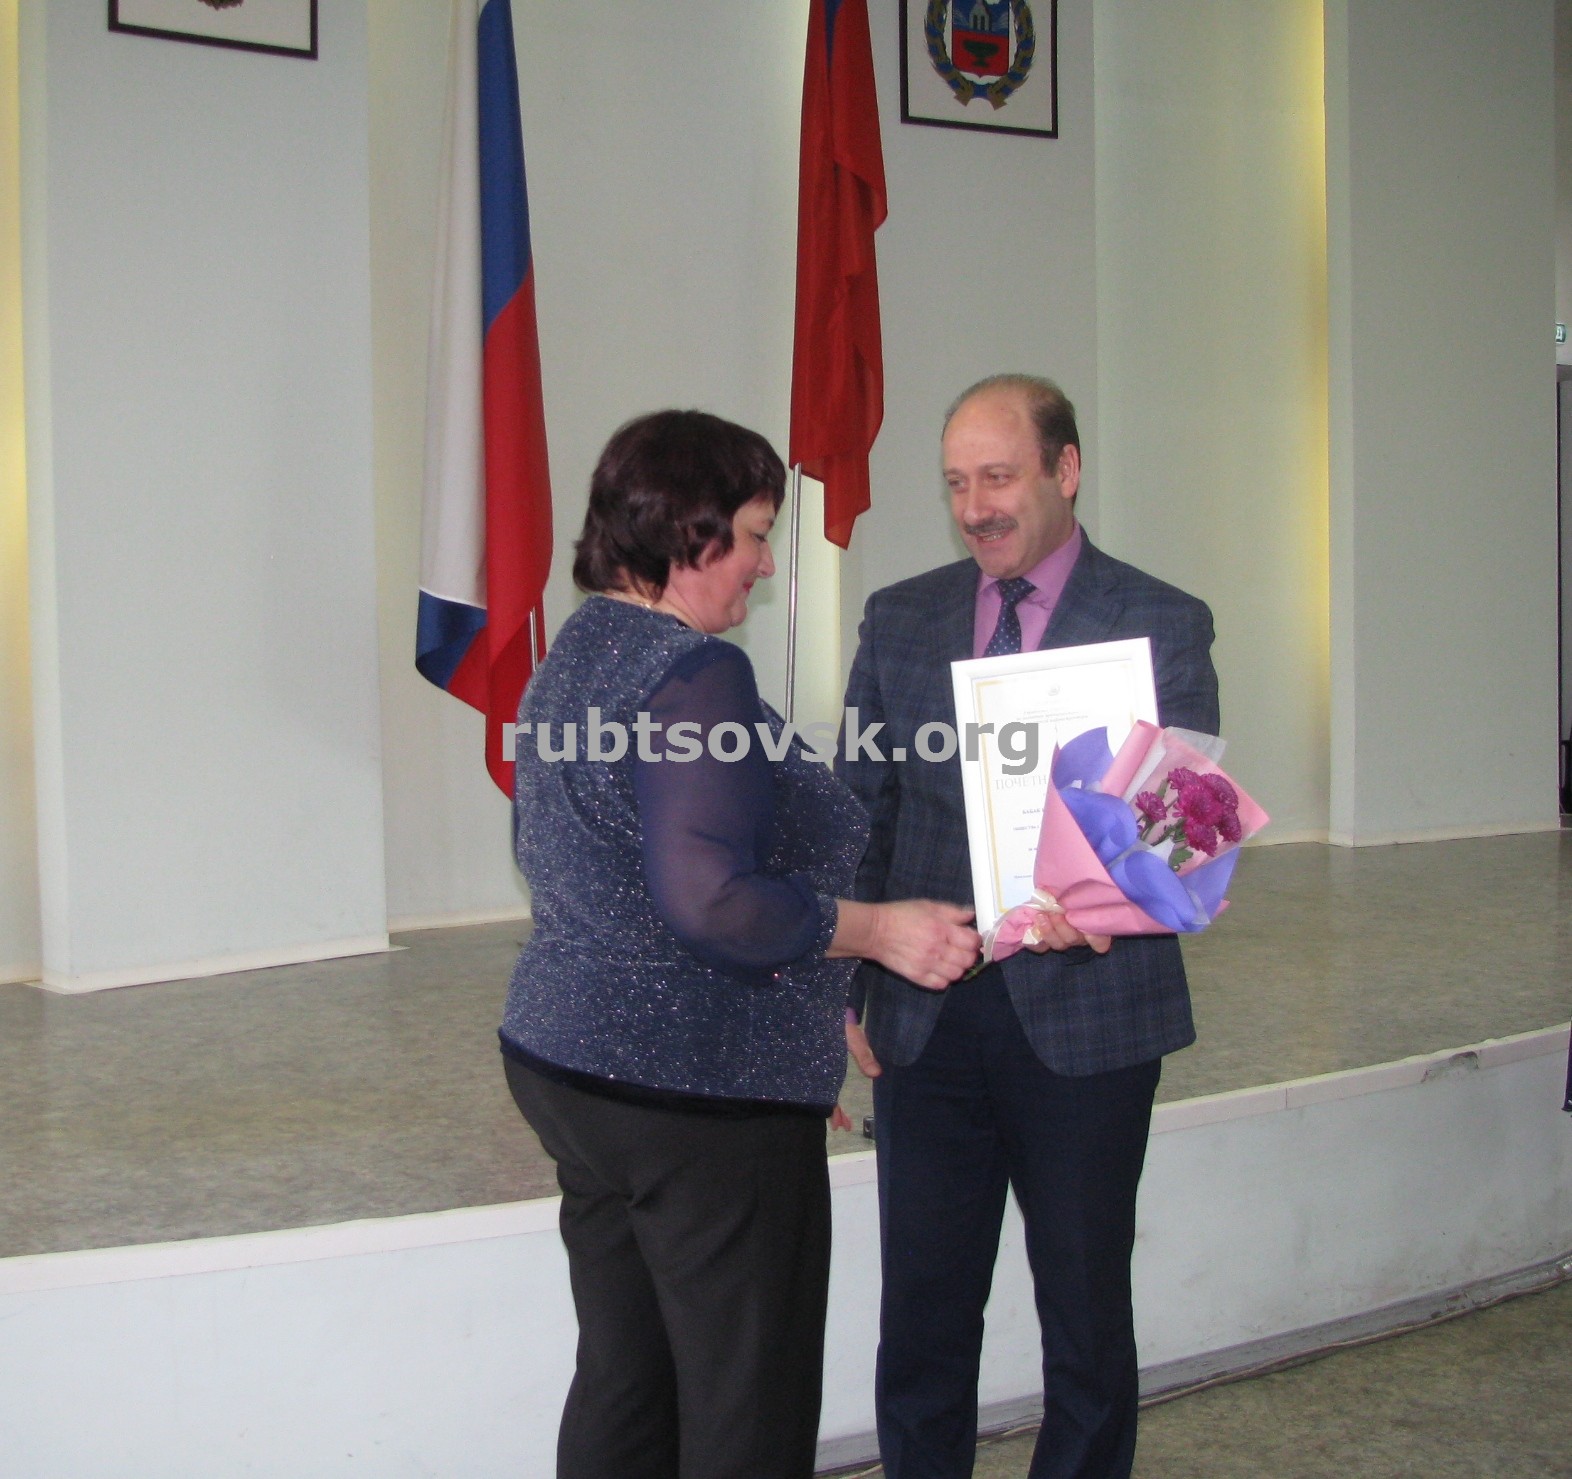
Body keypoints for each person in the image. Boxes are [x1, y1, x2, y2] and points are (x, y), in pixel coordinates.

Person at [499, 408, 980, 1479]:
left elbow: (578, 858)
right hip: (695, 1096)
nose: (765, 565)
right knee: (745, 1407)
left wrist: (810, 999)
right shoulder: (692, 672)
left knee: (629, 1380)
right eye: (758, 535)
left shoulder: (577, 650)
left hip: (572, 1067)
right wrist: (879, 932)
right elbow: (711, 900)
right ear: (690, 531)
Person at [838, 374, 1220, 1479]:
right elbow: (861, 812)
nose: (975, 507)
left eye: (999, 477)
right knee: (922, 1321)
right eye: (957, 483)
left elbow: (1184, 828)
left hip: (1090, 1021)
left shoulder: (1161, 621)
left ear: (1067, 469)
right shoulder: (901, 616)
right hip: (926, 1019)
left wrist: (1102, 911)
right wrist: (845, 980)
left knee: (1087, 1323)